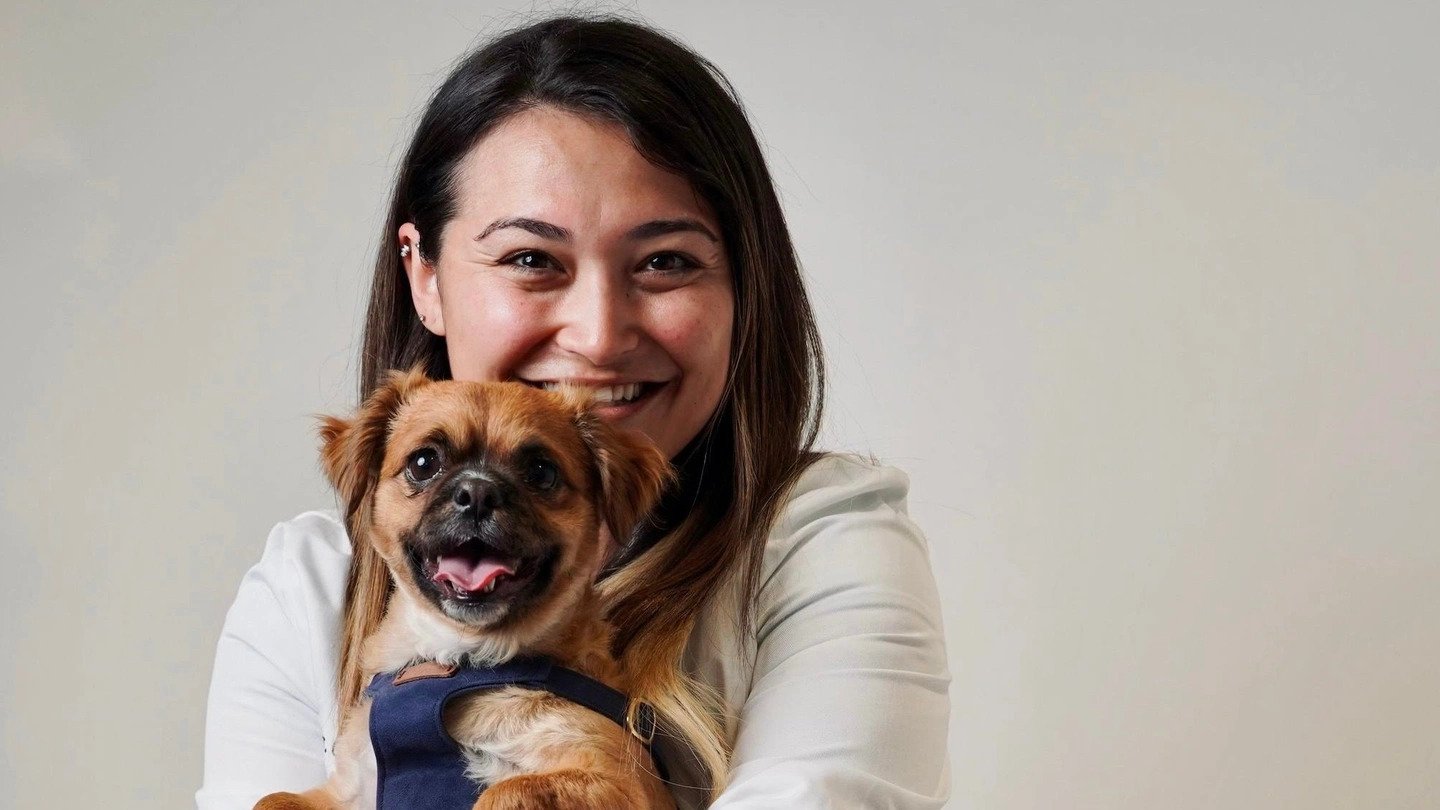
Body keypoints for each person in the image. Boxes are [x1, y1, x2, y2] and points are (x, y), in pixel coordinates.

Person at [197, 14, 950, 809]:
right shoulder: (308, 587)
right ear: (425, 277)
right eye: (530, 258)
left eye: (665, 261)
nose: (597, 336)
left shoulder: (822, 540)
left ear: (743, 285)